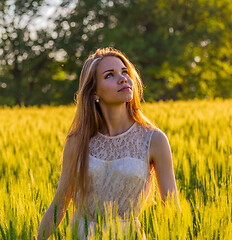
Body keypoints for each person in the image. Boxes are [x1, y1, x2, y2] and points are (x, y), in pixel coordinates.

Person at [37, 47, 180, 240]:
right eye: (109, 75)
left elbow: (171, 209)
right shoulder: (77, 141)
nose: (123, 79)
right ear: (94, 91)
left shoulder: (154, 140)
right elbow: (59, 204)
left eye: (124, 72)